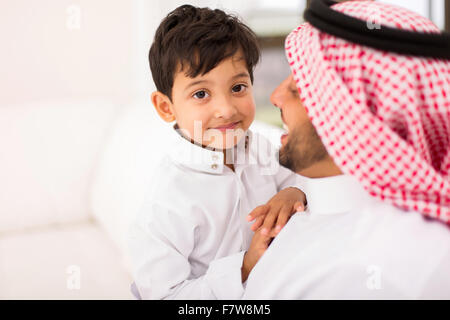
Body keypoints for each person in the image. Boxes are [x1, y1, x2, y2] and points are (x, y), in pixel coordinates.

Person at [243, 0, 450, 299]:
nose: (275, 96)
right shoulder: (317, 202)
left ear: (360, 120)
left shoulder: (366, 272)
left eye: (299, 91)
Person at [127, 5, 306, 300]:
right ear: (166, 107)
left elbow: (308, 181)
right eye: (201, 94)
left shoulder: (262, 149)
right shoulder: (167, 201)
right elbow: (165, 296)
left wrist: (295, 193)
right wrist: (244, 267)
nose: (226, 110)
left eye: (237, 87)